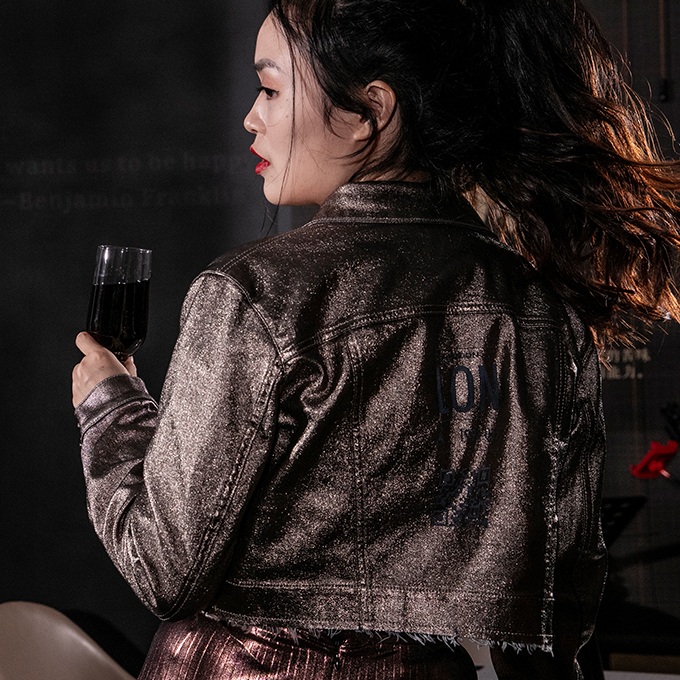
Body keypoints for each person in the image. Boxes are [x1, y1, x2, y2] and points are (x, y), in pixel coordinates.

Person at [72, 0, 680, 677]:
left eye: (271, 89)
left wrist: (113, 408)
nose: (250, 117)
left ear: (370, 111)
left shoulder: (252, 292)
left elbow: (165, 572)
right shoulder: (543, 314)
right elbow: (556, 613)